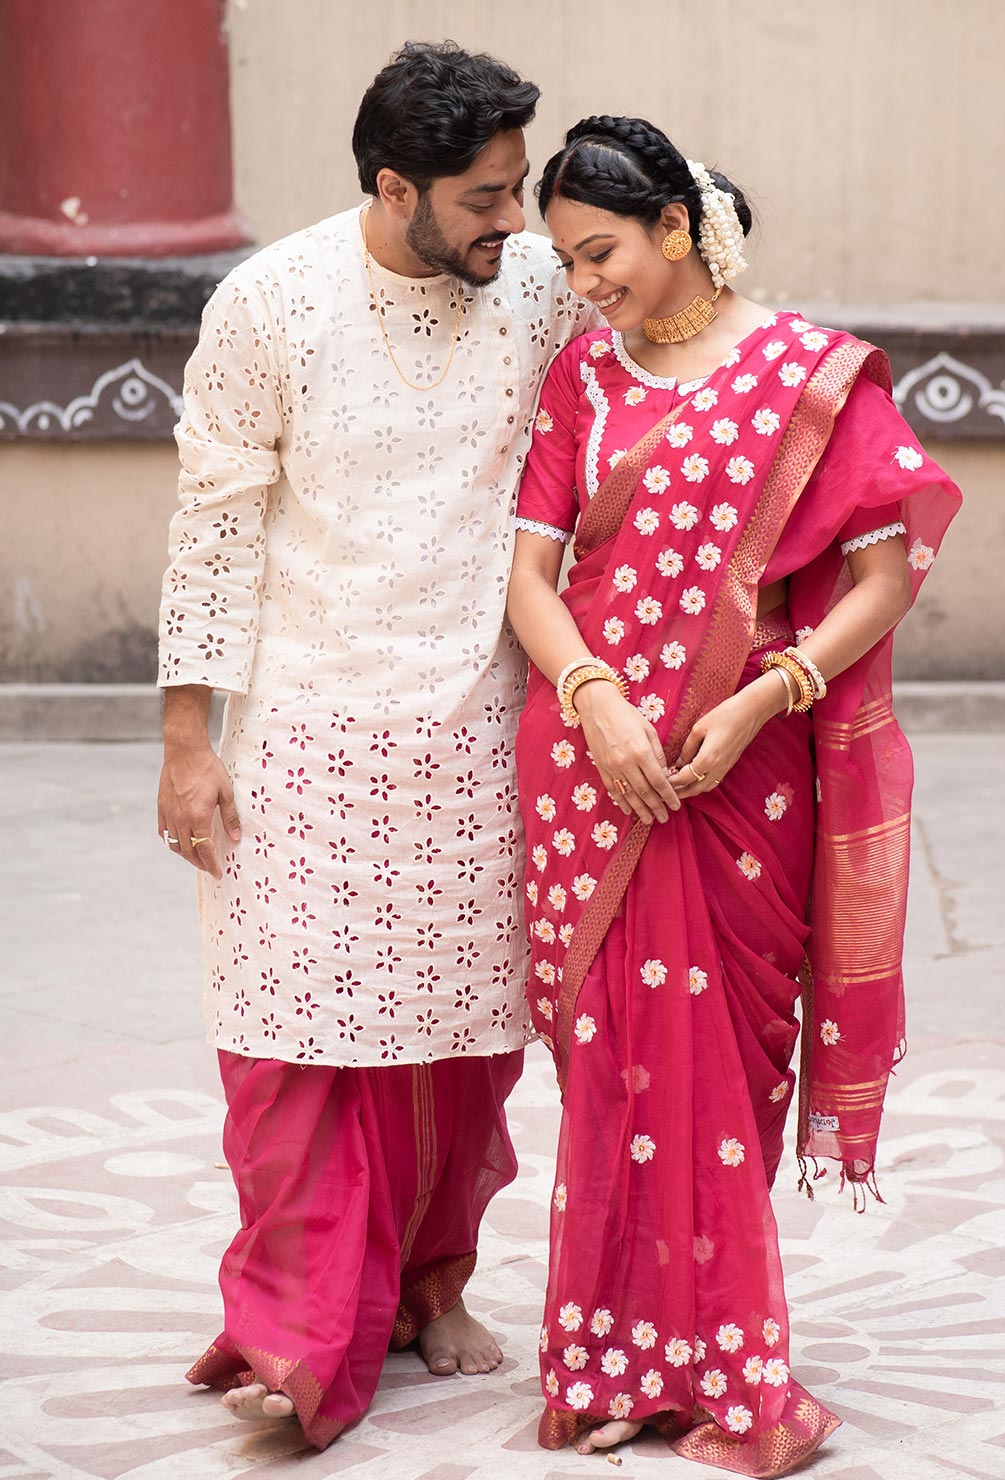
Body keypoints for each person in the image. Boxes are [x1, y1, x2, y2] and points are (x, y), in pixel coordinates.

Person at [155, 42, 598, 1449]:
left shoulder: (534, 291)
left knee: (459, 1056)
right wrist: (187, 742)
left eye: (518, 189)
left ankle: (432, 1285)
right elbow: (214, 527)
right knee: (291, 1047)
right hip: (306, 734)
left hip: (482, 730)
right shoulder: (269, 305)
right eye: (484, 196)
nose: (514, 222)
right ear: (394, 186)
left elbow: (633, 410)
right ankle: (294, 1333)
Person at [506, 116, 961, 1474]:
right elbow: (528, 578)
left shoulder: (808, 374)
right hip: (591, 770)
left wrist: (766, 693)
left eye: (601, 255)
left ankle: (725, 1370)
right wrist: (596, 701)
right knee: (608, 1078)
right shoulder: (582, 384)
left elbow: (884, 575)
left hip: (739, 771)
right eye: (566, 262)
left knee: (718, 1075)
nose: (585, 286)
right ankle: (602, 1365)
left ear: (678, 230)